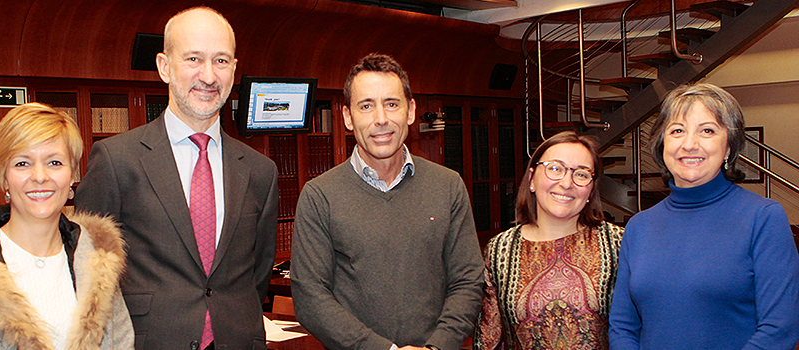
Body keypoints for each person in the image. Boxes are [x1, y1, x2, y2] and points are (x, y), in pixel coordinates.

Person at [74, 6, 278, 350]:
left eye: (221, 61)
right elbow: (89, 268)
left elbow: (259, 270)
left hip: (239, 340)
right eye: (194, 59)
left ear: (234, 68)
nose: (209, 76)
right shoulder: (116, 160)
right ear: (164, 67)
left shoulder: (260, 171)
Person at [290, 53, 484, 350]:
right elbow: (311, 298)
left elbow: (468, 281)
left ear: (410, 111)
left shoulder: (448, 186)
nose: (380, 119)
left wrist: (437, 347)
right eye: (366, 106)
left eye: (391, 104)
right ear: (347, 118)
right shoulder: (320, 195)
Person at [0, 102, 133, 349]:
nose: (40, 176)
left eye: (54, 162)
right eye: (22, 163)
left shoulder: (99, 259)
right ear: (4, 177)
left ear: (73, 174)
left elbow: (122, 343)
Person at [608, 83, 799, 349]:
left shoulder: (763, 218)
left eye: (707, 130)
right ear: (663, 145)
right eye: (677, 131)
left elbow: (780, 329)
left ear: (729, 148)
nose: (689, 144)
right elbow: (622, 326)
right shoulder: (639, 226)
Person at [473, 131, 623, 350]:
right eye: (555, 168)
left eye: (581, 174)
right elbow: (488, 339)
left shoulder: (617, 243)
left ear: (591, 189)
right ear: (532, 179)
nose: (566, 183)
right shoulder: (500, 249)